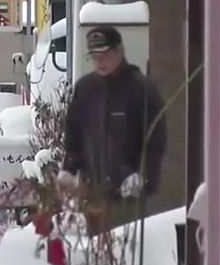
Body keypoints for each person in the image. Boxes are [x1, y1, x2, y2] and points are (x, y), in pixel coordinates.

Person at [60, 26, 166, 234]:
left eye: (105, 55)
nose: (100, 62)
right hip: (93, 191)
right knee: (97, 252)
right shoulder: (85, 90)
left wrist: (143, 175)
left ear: (119, 51)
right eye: (94, 57)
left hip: (128, 194)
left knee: (125, 251)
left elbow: (156, 140)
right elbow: (74, 135)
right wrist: (69, 167)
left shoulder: (141, 89)